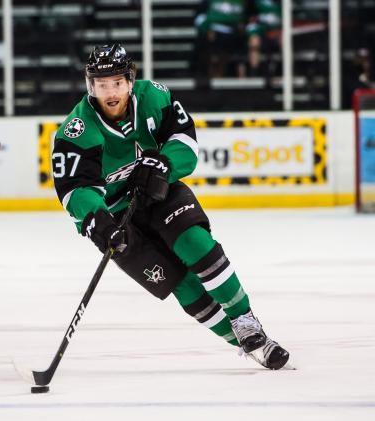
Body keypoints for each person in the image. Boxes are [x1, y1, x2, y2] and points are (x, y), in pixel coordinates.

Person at [52, 44, 289, 372]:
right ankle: (253, 345)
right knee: (177, 281)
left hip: (158, 193)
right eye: (103, 84)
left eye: (117, 82)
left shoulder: (155, 98)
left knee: (195, 243)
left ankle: (246, 320)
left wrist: (163, 163)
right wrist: (100, 222)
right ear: (91, 86)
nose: (111, 92)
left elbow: (186, 142)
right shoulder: (77, 130)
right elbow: (74, 189)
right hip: (116, 216)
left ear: (130, 81)